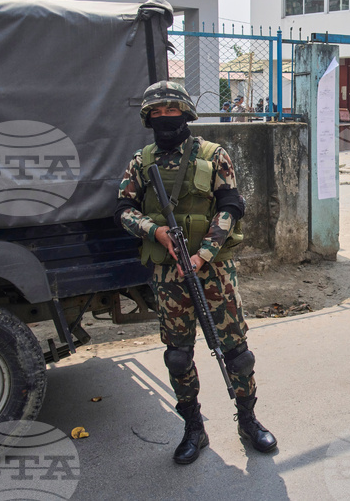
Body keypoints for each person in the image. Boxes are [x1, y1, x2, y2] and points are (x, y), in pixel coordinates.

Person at [115, 81, 277, 465]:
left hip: (214, 272)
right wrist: (154, 231)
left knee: (238, 356)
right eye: (157, 113)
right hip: (170, 277)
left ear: (186, 114)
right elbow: (123, 209)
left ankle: (249, 421)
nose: (165, 119)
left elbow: (231, 205)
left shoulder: (213, 155)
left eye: (172, 112)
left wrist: (203, 254)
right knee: (178, 357)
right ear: (148, 118)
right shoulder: (142, 161)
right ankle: (193, 429)